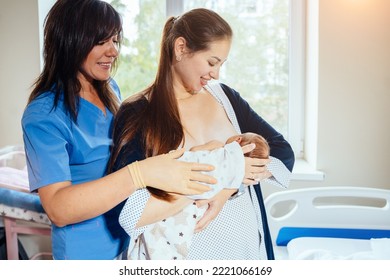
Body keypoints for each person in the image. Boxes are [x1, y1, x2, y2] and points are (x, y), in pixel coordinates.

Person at [20, 0, 216, 260]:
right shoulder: (44, 114)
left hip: (132, 240)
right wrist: (137, 174)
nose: (113, 51)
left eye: (115, 40)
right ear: (69, 40)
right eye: (101, 41)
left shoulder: (110, 89)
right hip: (88, 254)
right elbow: (58, 208)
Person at [109, 8, 295, 260]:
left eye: (221, 64)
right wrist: (223, 174)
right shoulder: (138, 112)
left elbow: (282, 152)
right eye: (211, 62)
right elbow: (130, 210)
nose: (216, 74)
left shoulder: (225, 98)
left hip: (247, 252)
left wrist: (229, 188)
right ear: (181, 48)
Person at [124, 132, 270, 260]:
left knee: (157, 239)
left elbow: (194, 151)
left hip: (180, 196)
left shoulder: (218, 146)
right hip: (194, 215)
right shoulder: (235, 179)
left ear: (238, 139)